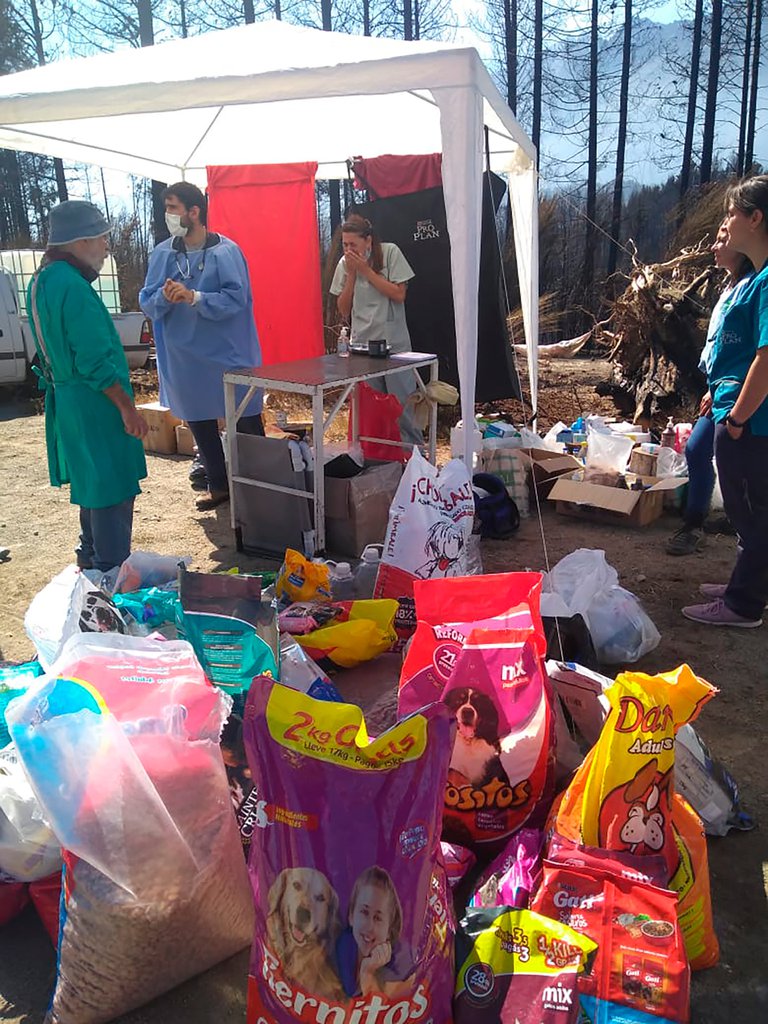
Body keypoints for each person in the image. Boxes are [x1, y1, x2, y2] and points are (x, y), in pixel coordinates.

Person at [27, 200, 148, 577]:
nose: (106, 247)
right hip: (94, 403)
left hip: (70, 402)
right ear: (80, 241)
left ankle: (89, 555)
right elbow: (94, 361)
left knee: (91, 481)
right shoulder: (73, 287)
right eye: (101, 238)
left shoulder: (42, 280)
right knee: (111, 485)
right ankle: (110, 572)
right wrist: (126, 407)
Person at [139, 182, 263, 511]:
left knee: (246, 417)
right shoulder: (163, 253)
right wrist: (165, 297)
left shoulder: (226, 252)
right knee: (199, 420)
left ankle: (265, 486)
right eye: (166, 208)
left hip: (228, 352)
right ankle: (218, 485)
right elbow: (147, 300)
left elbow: (237, 299)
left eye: (173, 208)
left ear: (194, 212)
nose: (168, 215)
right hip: (184, 357)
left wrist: (195, 297)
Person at [683, 175, 768, 628]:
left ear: (755, 218)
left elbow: (766, 358)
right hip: (738, 414)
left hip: (752, 422)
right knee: (748, 511)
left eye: (733, 213)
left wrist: (736, 419)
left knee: (755, 514)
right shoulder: (755, 282)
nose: (726, 223)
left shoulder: (766, 283)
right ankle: (746, 585)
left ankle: (743, 604)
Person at [666, 223, 752, 555]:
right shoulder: (730, 287)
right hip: (720, 390)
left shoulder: (754, 287)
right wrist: (711, 386)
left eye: (721, 240)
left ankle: (717, 525)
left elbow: (749, 352)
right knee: (699, 449)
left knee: (729, 460)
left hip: (741, 396)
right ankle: (700, 520)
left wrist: (722, 390)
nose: (714, 246)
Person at [330, 215, 423, 446]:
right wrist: (352, 275)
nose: (349, 250)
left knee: (402, 406)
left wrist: (366, 271)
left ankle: (414, 456)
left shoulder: (389, 252)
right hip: (363, 346)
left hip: (393, 344)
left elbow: (399, 295)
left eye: (353, 244)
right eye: (345, 245)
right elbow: (343, 308)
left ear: (368, 241)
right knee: (372, 407)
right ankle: (379, 457)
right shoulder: (344, 264)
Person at [335, 866, 409, 998]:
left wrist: (367, 973)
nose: (369, 926)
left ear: (389, 929)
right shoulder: (336, 951)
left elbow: (377, 1007)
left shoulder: (401, 968)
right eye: (364, 912)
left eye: (378, 918)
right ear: (351, 916)